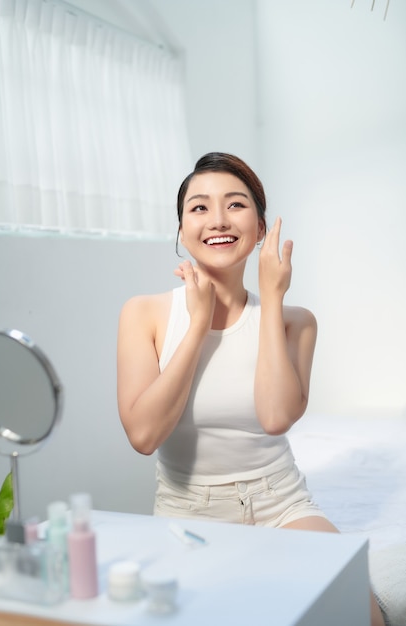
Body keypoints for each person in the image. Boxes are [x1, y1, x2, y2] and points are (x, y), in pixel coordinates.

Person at [117, 152, 384, 626]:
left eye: (235, 205)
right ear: (181, 231)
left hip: (281, 502)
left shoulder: (295, 322)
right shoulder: (145, 314)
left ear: (260, 228)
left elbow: (275, 417)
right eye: (199, 207)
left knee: (356, 608)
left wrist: (273, 296)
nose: (217, 219)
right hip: (188, 513)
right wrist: (199, 323)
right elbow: (143, 436)